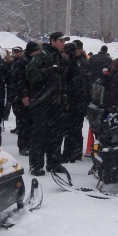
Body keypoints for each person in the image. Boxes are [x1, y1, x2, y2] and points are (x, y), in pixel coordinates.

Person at [25, 32, 70, 176]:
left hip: (57, 103)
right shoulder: (42, 55)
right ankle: (36, 165)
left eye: (64, 41)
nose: (63, 44)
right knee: (39, 135)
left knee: (56, 135)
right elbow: (30, 73)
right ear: (52, 41)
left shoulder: (61, 57)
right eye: (61, 41)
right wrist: (48, 71)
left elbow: (64, 81)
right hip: (42, 102)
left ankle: (54, 163)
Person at [62, 40, 91, 163]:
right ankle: (71, 152)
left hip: (78, 100)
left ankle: (74, 153)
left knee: (75, 128)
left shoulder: (81, 64)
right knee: (71, 128)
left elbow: (81, 84)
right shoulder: (73, 63)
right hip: (76, 100)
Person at [10, 42, 37, 156]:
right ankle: (23, 146)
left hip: (32, 96)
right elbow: (19, 81)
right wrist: (24, 95)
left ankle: (30, 145)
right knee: (23, 124)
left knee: (30, 123)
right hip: (22, 98)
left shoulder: (33, 61)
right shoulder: (22, 63)